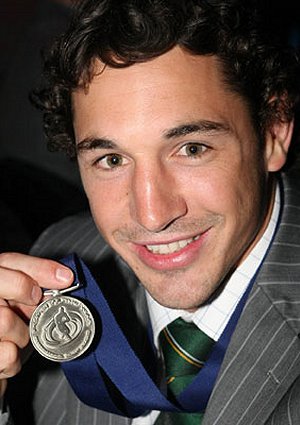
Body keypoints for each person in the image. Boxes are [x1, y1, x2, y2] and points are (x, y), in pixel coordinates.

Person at [0, 0, 300, 423]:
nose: (152, 215)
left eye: (191, 149)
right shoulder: (54, 264)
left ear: (273, 131)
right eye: (112, 160)